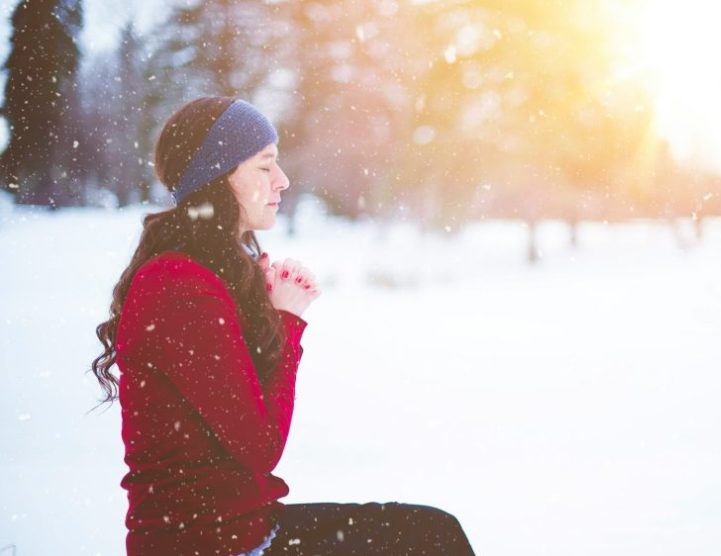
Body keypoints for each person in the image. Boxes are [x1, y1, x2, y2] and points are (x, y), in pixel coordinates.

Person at [89, 96, 477, 555]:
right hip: (210, 545)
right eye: (264, 166)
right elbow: (260, 445)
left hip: (248, 530)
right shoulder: (180, 286)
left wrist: (266, 313)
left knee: (430, 534)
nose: (282, 181)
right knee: (428, 540)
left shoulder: (205, 274)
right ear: (219, 176)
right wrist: (287, 321)